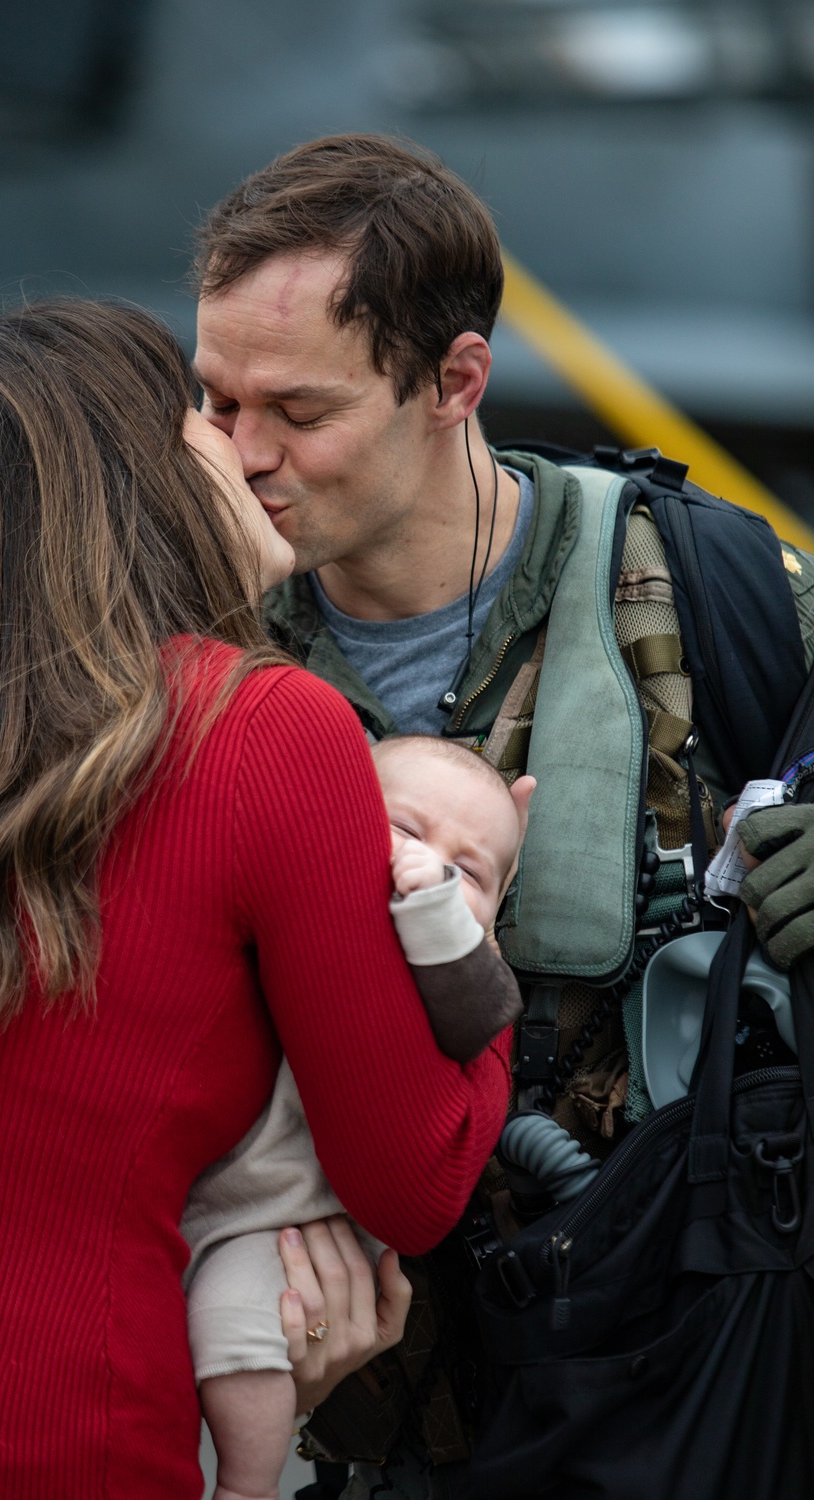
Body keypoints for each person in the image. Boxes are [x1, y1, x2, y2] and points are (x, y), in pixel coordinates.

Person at [190, 134, 814, 1497]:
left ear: (455, 381)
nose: (243, 458)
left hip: (680, 1405)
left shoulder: (709, 587)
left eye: (296, 411)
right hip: (360, 1424)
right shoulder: (188, 663)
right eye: (215, 402)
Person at [0, 299, 516, 1499]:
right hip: (69, 1447)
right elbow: (418, 1174)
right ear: (138, 480)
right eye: (200, 417)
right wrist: (487, 964)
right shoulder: (261, 730)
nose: (237, 449)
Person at [185, 738, 534, 1500]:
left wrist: (438, 912)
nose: (431, 865)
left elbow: (481, 1013)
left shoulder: (458, 966)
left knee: (240, 1334)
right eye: (404, 829)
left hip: (288, 1225)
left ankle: (246, 1486)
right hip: (194, 1181)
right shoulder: (295, 890)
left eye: (470, 872)